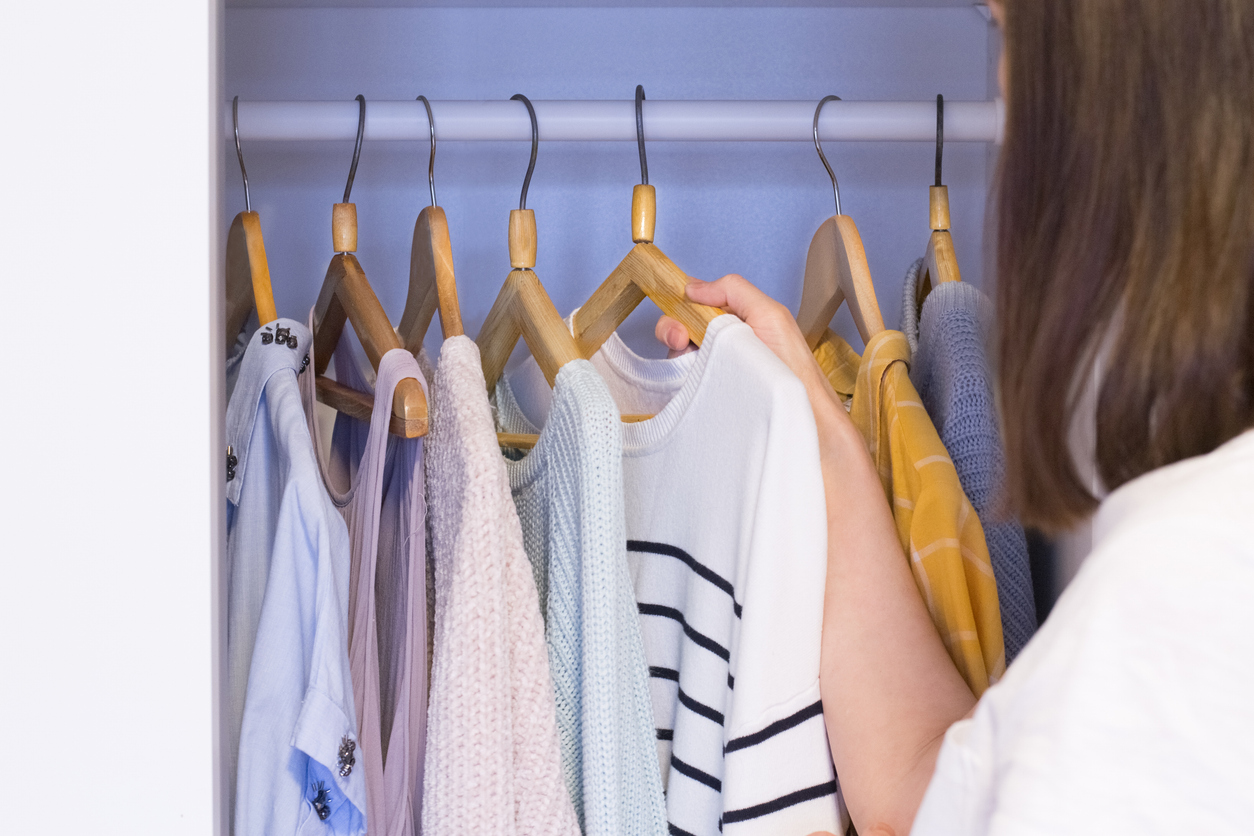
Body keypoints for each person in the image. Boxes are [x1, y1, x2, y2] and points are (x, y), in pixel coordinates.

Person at [655, 0, 1254, 832]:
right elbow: (931, 787)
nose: (1006, 89)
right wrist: (814, 433)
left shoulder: (1176, 592)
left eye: (1009, 34)